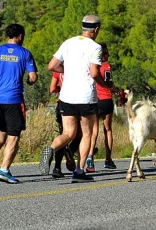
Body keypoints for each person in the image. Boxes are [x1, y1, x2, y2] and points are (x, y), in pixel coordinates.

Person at [40, 14, 113, 183]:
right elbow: (94, 72)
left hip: (66, 96)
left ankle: (51, 148)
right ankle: (79, 171)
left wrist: (68, 69)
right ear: (96, 30)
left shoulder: (68, 43)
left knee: (68, 133)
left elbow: (51, 66)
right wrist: (105, 84)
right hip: (86, 97)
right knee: (86, 133)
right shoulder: (95, 47)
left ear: (82, 27)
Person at [0, 24, 38, 184]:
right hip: (13, 99)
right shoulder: (25, 53)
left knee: (1, 129)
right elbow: (32, 76)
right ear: (20, 36)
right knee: (14, 136)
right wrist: (29, 81)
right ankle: (4, 170)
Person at [86, 43, 117, 172]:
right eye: (106, 53)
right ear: (103, 54)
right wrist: (115, 89)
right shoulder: (106, 66)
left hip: (93, 99)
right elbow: (109, 83)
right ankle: (108, 159)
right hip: (105, 99)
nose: (108, 55)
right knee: (108, 130)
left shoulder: (90, 65)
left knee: (93, 131)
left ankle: (90, 157)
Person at [49, 71, 81, 178]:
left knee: (64, 135)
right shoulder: (77, 66)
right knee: (80, 135)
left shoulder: (58, 70)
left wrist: (61, 89)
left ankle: (57, 168)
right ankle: (70, 152)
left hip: (61, 103)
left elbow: (52, 88)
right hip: (77, 102)